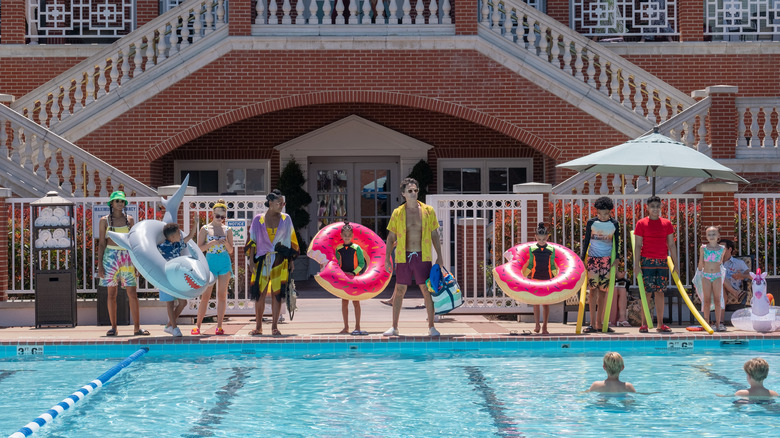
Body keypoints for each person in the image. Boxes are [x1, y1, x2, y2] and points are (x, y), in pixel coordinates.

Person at [383, 177, 444, 337]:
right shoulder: (398, 213)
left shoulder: (428, 211)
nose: (413, 193)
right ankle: (394, 327)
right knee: (400, 290)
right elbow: (391, 237)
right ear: (403, 193)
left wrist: (439, 256)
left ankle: (431, 327)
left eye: (415, 191)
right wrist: (387, 258)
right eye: (410, 191)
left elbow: (434, 234)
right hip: (404, 256)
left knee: (426, 290)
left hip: (422, 256)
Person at [246, 190, 299, 336]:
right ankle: (258, 327)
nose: (282, 205)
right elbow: (252, 241)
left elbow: (290, 239)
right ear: (270, 203)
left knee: (277, 294)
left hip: (280, 261)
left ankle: (274, 327)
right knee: (259, 294)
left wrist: (291, 260)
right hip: (261, 261)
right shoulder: (258, 220)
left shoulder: (286, 219)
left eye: (283, 203)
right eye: (279, 203)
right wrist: (251, 261)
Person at [97, 191, 148, 337]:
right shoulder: (104, 221)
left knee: (132, 293)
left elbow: (134, 243)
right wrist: (100, 265)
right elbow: (101, 244)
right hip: (110, 258)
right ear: (111, 204)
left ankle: (137, 328)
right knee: (111, 294)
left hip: (127, 257)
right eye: (117, 201)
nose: (120, 203)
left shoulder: (129, 220)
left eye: (122, 201)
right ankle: (113, 327)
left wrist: (137, 264)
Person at [634, 196, 677, 333]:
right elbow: (638, 245)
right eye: (652, 206)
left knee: (660, 292)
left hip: (662, 261)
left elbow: (671, 244)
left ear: (661, 208)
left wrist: (676, 263)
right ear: (647, 207)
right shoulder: (641, 223)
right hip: (647, 261)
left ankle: (660, 324)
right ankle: (644, 324)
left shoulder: (667, 223)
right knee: (647, 293)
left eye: (658, 206)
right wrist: (636, 265)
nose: (655, 209)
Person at [193, 200, 234, 335]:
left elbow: (231, 250)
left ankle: (220, 326)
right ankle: (198, 325)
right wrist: (211, 243)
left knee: (222, 295)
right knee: (205, 296)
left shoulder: (227, 230)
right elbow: (199, 248)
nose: (220, 219)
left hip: (224, 263)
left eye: (223, 217)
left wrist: (226, 243)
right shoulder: (205, 229)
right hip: (210, 263)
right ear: (212, 214)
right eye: (218, 216)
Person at [581, 196, 621, 333]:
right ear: (596, 212)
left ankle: (600, 323)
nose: (603, 216)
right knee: (593, 290)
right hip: (593, 258)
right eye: (600, 213)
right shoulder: (591, 223)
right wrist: (583, 258)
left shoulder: (614, 224)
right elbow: (586, 241)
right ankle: (592, 324)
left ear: (610, 212)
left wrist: (617, 258)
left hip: (606, 260)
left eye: (606, 213)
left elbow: (617, 241)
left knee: (603, 291)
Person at [157, 214, 199, 337]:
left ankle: (169, 325)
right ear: (173, 236)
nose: (181, 236)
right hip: (166, 277)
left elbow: (190, 237)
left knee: (183, 302)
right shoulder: (161, 248)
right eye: (179, 234)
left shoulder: (177, 245)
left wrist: (195, 223)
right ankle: (174, 327)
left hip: (177, 278)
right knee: (169, 303)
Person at [334, 222, 368, 335]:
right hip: (344, 278)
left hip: (354, 278)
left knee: (356, 302)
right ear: (341, 235)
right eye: (345, 235)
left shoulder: (356, 248)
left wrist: (353, 273)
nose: (347, 237)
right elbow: (337, 263)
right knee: (344, 302)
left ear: (352, 235)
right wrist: (341, 274)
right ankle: (346, 327)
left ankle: (357, 326)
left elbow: (362, 263)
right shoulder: (338, 249)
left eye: (349, 235)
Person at [523, 223, 557, 335]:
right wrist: (523, 275)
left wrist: (556, 277)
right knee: (536, 303)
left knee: (546, 304)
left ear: (547, 237)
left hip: (547, 279)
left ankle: (545, 326)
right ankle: (537, 324)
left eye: (544, 239)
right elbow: (530, 264)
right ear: (535, 237)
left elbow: (552, 265)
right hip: (535, 278)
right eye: (539, 239)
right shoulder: (532, 249)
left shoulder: (551, 249)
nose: (541, 241)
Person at [697, 226, 726, 331]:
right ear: (706, 236)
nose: (711, 236)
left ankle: (718, 324)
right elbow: (701, 263)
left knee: (718, 300)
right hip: (706, 276)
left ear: (718, 236)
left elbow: (720, 262)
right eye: (709, 234)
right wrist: (699, 270)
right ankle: (706, 323)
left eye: (714, 234)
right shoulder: (703, 248)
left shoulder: (722, 249)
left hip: (717, 275)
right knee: (707, 300)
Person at [719, 238, 750, 325]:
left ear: (730, 249)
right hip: (715, 287)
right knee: (720, 278)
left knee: (721, 280)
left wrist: (741, 276)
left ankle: (720, 321)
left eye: (723, 248)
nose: (720, 250)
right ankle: (736, 293)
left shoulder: (738, 263)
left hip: (733, 285)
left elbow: (750, 275)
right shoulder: (715, 262)